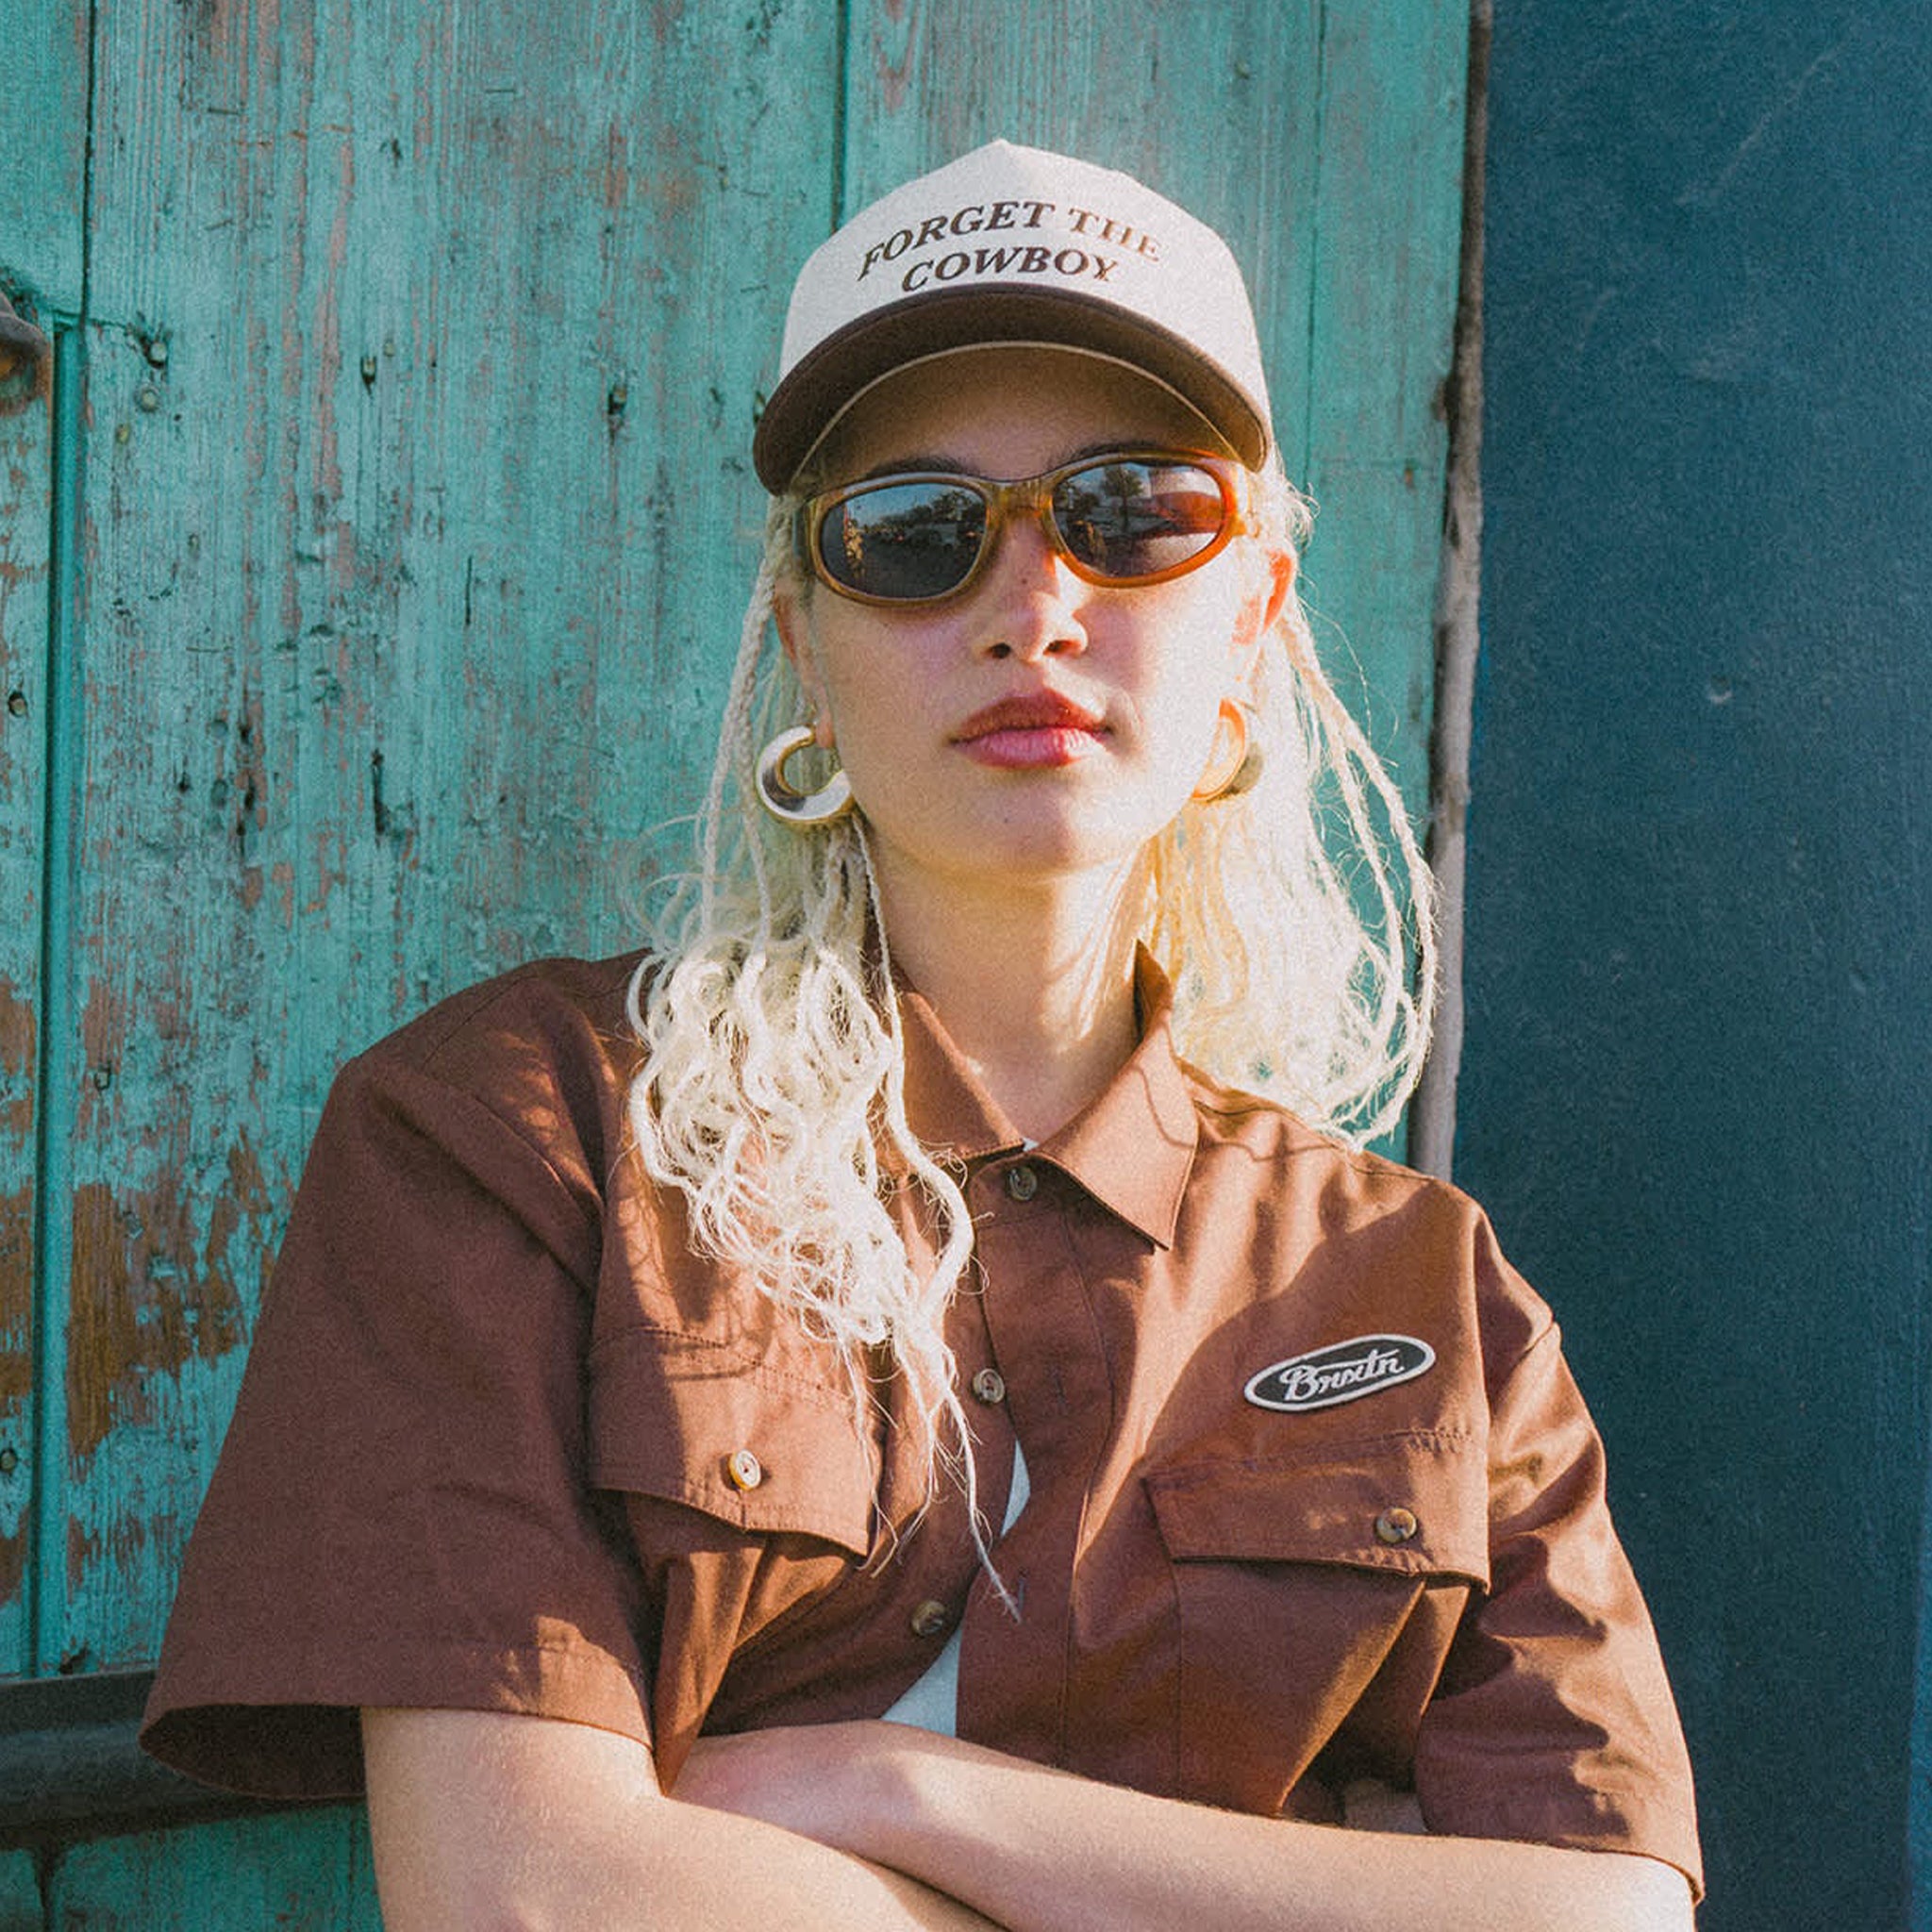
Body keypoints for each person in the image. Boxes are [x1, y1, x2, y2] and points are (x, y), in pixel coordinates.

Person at [142, 142, 1702, 1928]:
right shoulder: (517, 1138)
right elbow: (527, 1898)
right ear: (806, 646)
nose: (1033, 610)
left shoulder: (1417, 1285)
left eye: (1133, 515)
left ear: (1253, 625)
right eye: (912, 534)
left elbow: (1604, 1911)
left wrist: (903, 1790)